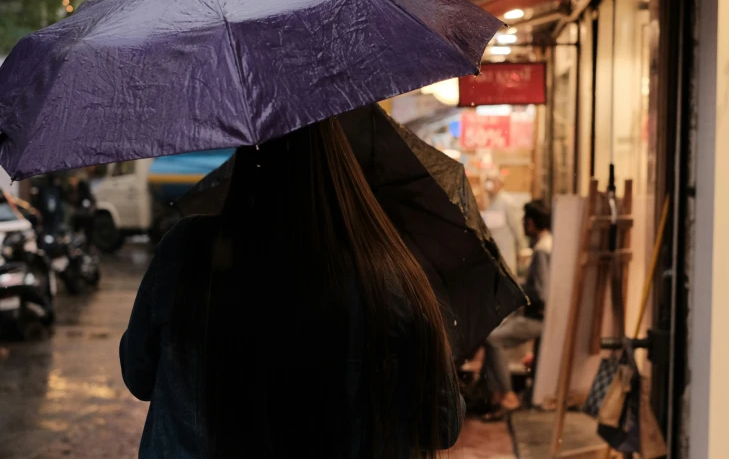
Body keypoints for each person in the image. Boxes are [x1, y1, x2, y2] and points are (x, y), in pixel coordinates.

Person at [120, 118, 465, 459]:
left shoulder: (187, 253)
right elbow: (440, 425)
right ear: (338, 165)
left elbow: (139, 375)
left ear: (246, 161)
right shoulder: (388, 277)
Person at [481, 199, 552, 421]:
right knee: (493, 331)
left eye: (524, 220)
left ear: (530, 223)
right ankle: (494, 395)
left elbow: (541, 293)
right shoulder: (548, 243)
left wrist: (520, 294)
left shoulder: (541, 250)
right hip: (541, 315)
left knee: (493, 339)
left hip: (540, 319)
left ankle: (508, 395)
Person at [484, 172, 527, 275]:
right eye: (487, 181)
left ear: (500, 183)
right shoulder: (489, 202)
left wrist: (522, 248)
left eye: (492, 181)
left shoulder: (507, 202)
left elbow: (517, 227)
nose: (489, 184)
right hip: (493, 252)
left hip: (506, 252)